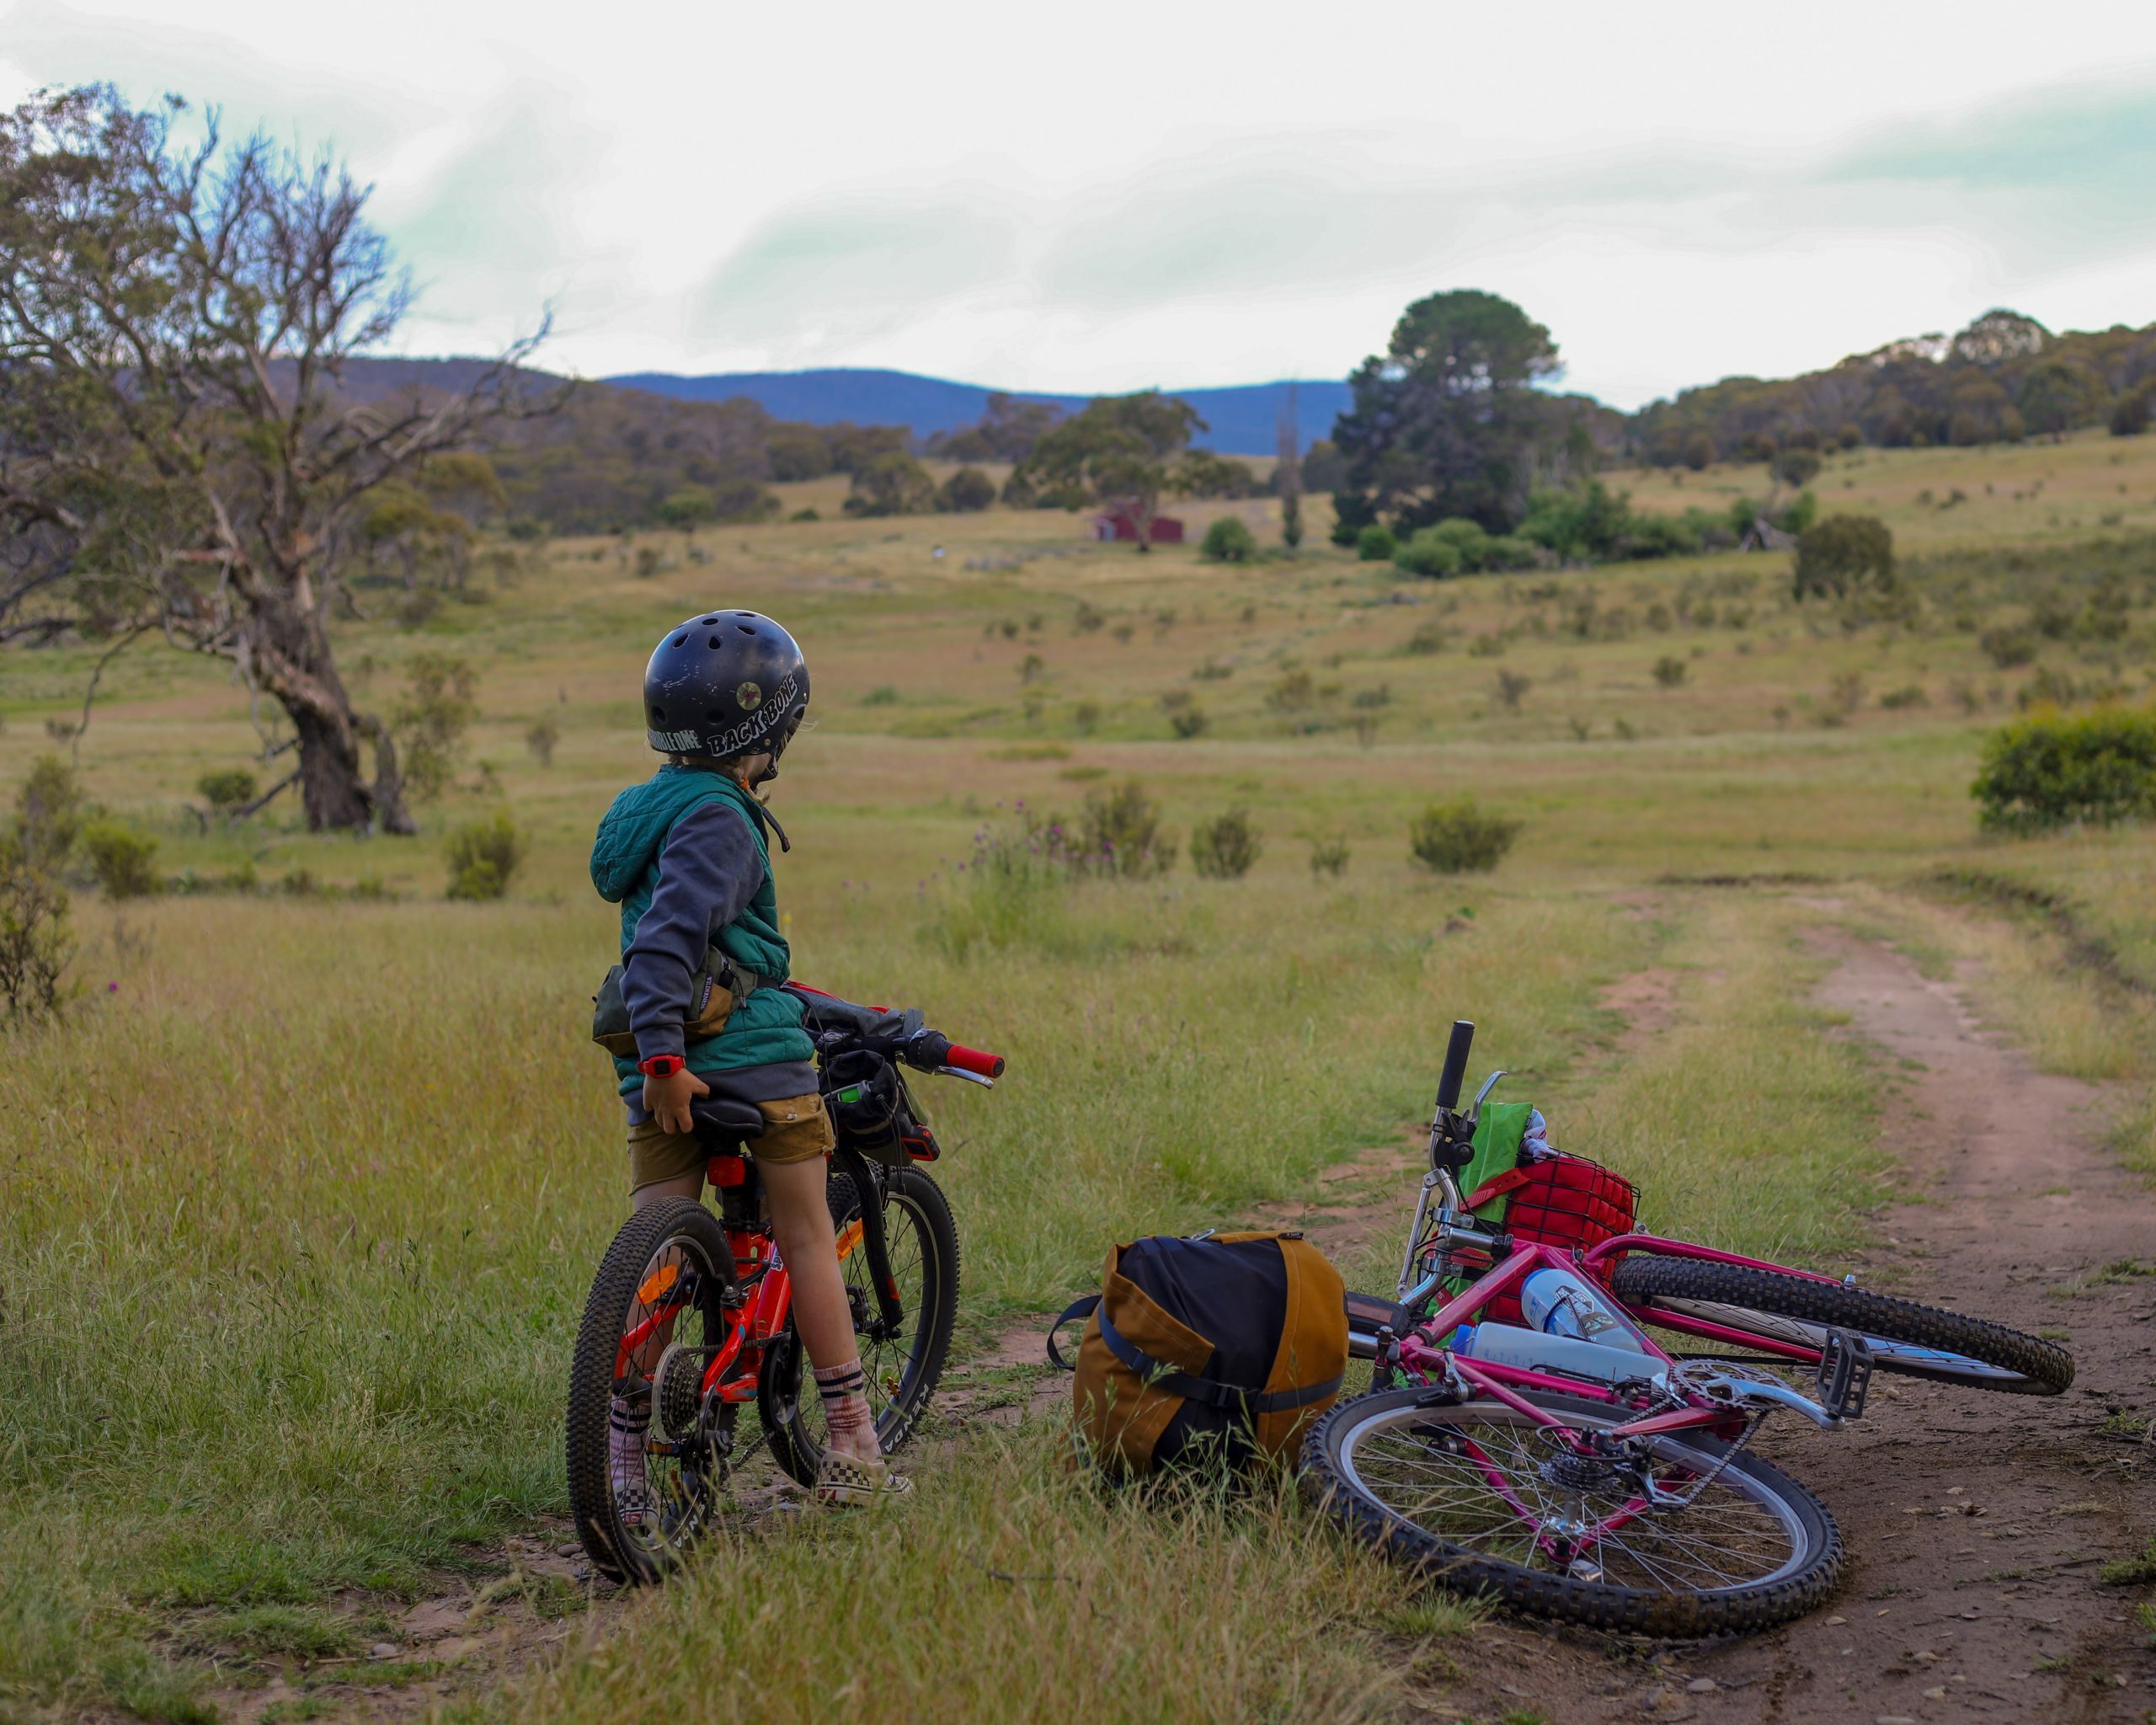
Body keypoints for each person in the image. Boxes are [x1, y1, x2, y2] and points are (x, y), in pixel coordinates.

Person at [588, 609, 909, 1509]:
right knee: (807, 1235)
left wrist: (653, 1066)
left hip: (659, 1073)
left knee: (657, 1262)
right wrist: (664, 1061)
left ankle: (621, 1462)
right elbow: (663, 947)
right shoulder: (723, 819)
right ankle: (851, 1441)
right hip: (737, 1062)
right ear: (769, 728)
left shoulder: (640, 809)